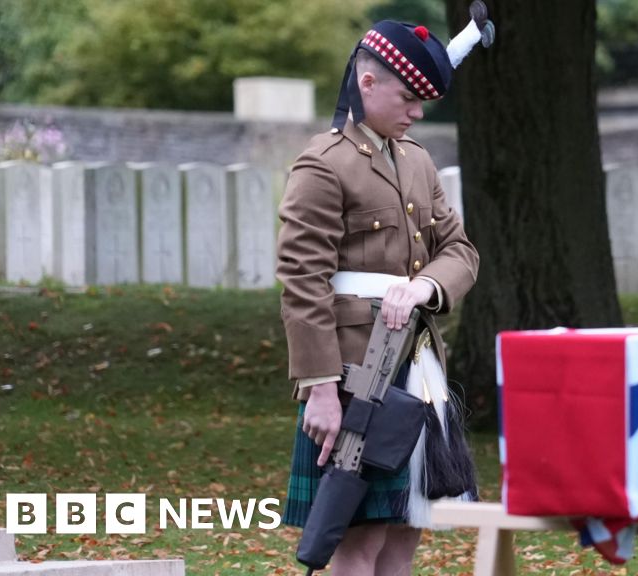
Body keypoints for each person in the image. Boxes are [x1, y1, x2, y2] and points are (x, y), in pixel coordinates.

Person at [275, 7, 492, 575]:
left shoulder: (417, 161)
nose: (418, 113)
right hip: (352, 374)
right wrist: (319, 388)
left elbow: (461, 252)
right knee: (358, 540)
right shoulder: (322, 165)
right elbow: (302, 280)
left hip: (416, 368)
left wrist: (424, 287)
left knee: (404, 533)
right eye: (408, 98)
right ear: (367, 83)